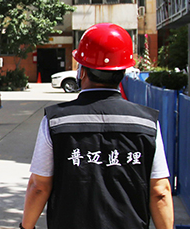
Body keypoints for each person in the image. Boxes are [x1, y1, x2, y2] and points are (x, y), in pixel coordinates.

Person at [21, 23, 173, 229]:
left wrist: (26, 227)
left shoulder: (55, 121)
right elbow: (160, 191)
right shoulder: (147, 123)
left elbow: (39, 186)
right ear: (122, 72)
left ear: (82, 72)